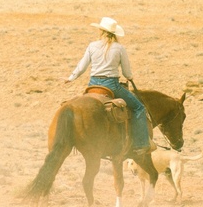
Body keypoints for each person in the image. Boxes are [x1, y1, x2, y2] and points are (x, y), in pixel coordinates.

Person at [64, 16, 150, 156]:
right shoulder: (119, 48)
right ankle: (141, 144)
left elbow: (82, 66)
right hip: (111, 85)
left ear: (101, 31)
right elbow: (126, 72)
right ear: (115, 33)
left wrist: (71, 78)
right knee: (139, 107)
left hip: (92, 85)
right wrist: (129, 77)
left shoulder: (92, 46)